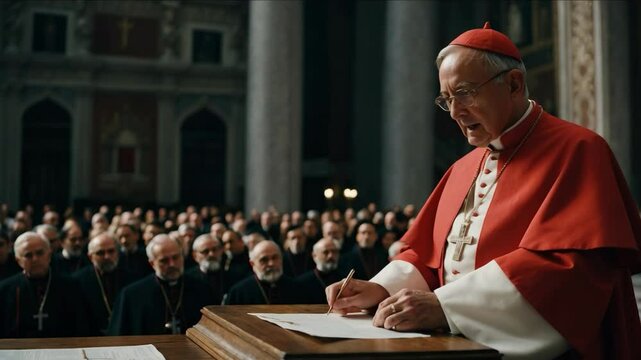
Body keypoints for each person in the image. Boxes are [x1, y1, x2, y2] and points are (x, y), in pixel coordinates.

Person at [326, 23, 641, 359]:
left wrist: (445, 307)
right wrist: (380, 288)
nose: (456, 113)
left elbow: (572, 271)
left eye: (465, 93)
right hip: (458, 346)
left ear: (514, 84)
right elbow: (431, 256)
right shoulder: (463, 168)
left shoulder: (579, 150)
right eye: (447, 100)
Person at [108, 234, 213, 335]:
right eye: (164, 260)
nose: (172, 264)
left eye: (175, 257)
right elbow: (119, 336)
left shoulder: (202, 288)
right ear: (152, 263)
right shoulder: (132, 295)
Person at [0, 232, 85, 337]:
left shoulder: (71, 286)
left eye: (40, 253)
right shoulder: (5, 290)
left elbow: (81, 327)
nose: (35, 259)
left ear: (49, 255)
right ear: (18, 261)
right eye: (28, 255)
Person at [74, 233, 134, 336]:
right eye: (100, 253)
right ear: (90, 257)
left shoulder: (132, 279)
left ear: (117, 253)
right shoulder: (77, 281)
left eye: (111, 251)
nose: (107, 256)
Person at [224, 240, 300, 305]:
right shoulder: (238, 293)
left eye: (275, 258)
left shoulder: (297, 288)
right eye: (264, 260)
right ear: (252, 264)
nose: (271, 264)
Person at [297, 237, 346, 304]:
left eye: (334, 251)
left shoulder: (345, 280)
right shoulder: (301, 282)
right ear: (314, 256)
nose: (331, 256)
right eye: (325, 252)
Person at [185, 234, 226, 303]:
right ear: (195, 255)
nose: (211, 254)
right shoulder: (186, 280)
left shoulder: (233, 276)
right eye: (205, 251)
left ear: (221, 251)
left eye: (215, 249)